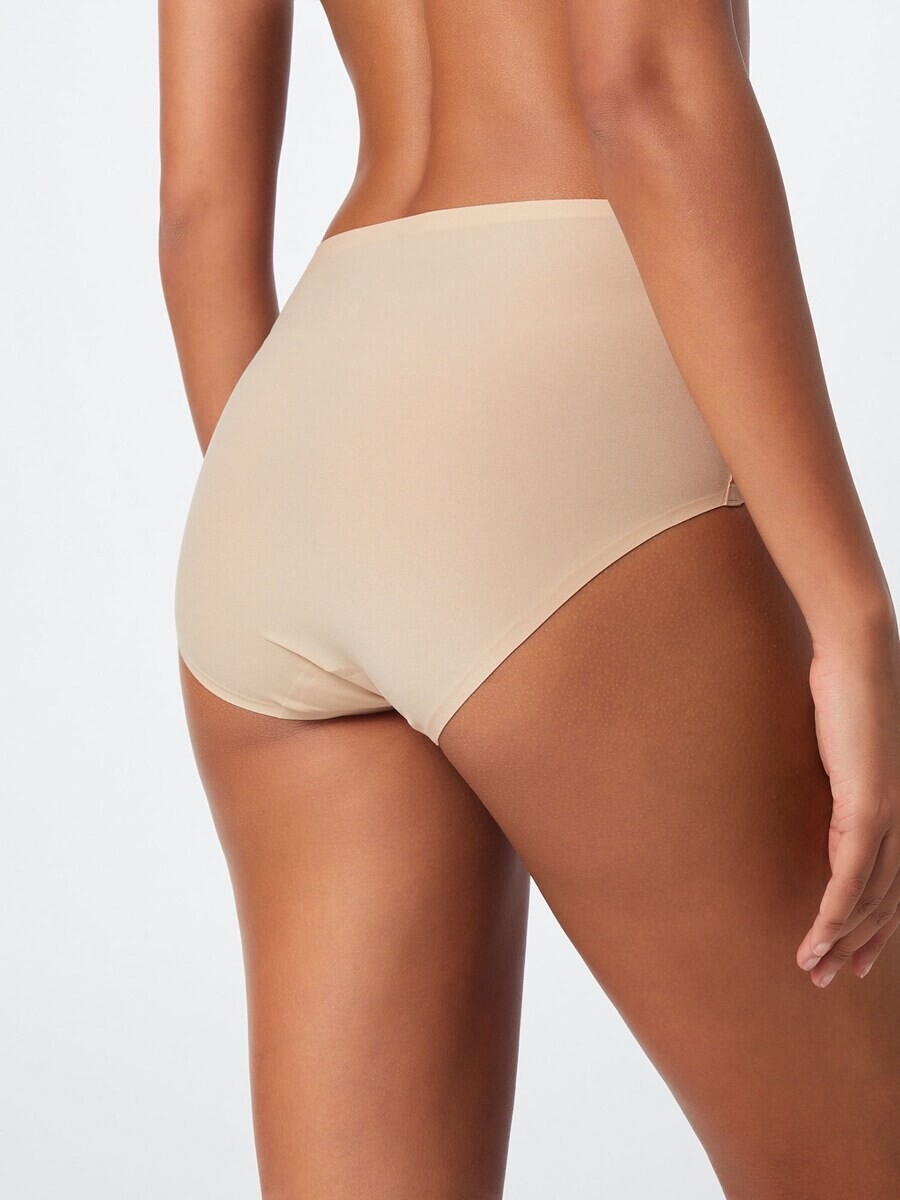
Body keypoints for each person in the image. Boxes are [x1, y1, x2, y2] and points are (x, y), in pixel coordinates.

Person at [158, 1, 900, 1195]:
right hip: (558, 362)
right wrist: (850, 611)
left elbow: (198, 217)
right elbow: (642, 81)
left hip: (291, 432)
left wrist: (360, 530)